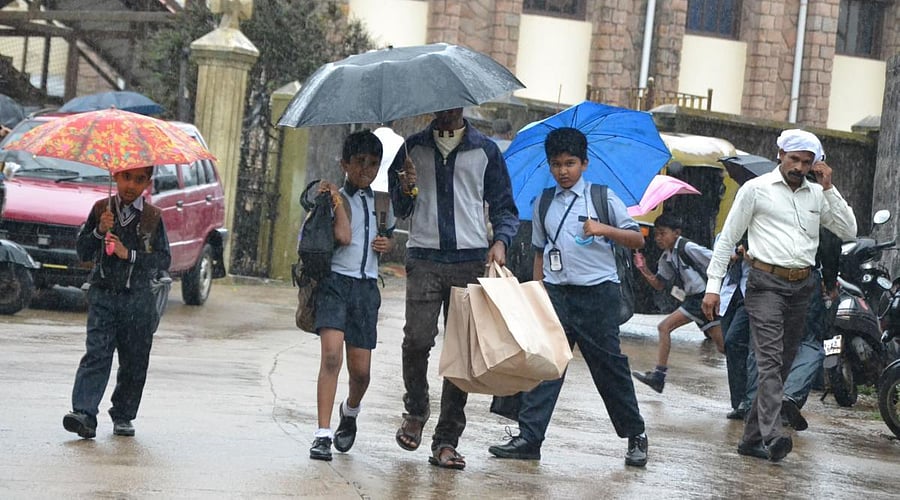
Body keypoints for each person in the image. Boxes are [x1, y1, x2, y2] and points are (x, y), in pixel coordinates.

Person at [486, 127, 649, 467]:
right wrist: (537, 293)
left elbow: (637, 240)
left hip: (598, 296)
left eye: (570, 163)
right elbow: (540, 253)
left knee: (609, 369)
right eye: (556, 164)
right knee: (546, 365)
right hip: (557, 295)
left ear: (585, 164)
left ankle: (635, 435)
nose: (563, 171)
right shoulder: (544, 202)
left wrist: (603, 229)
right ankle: (530, 437)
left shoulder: (603, 198)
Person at [701, 129, 857, 462]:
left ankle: (751, 439)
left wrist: (829, 188)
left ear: (815, 165)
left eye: (806, 162)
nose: (799, 167)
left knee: (783, 364)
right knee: (769, 360)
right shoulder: (755, 190)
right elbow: (727, 239)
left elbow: (848, 230)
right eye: (794, 159)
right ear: (780, 155)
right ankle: (773, 434)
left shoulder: (817, 195)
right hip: (764, 283)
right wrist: (713, 287)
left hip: (802, 287)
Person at [388, 108, 519, 470]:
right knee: (416, 338)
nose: (446, 111)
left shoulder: (486, 151)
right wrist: (405, 185)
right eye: (440, 104)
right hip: (424, 257)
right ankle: (415, 409)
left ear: (463, 105)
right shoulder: (411, 149)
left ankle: (446, 440)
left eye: (453, 104)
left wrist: (502, 242)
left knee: (460, 352)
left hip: (469, 260)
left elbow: (506, 208)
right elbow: (401, 209)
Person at [63, 166, 171, 439]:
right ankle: (84, 413)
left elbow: (163, 260)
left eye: (138, 179)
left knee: (134, 359)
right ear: (115, 177)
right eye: (125, 177)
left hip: (138, 299)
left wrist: (129, 254)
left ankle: (123, 414)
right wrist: (99, 231)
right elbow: (83, 252)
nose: (130, 185)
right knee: (97, 353)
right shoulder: (101, 209)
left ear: (148, 182)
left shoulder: (152, 218)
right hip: (103, 295)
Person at [309, 130, 395, 461]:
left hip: (365, 289)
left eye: (373, 164)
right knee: (331, 357)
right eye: (359, 163)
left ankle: (351, 410)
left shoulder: (382, 203)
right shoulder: (330, 197)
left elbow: (388, 238)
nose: (366, 171)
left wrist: (388, 244)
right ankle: (322, 433)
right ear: (344, 163)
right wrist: (335, 200)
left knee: (361, 372)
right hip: (335, 283)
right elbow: (343, 236)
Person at [741, 228, 842, 430]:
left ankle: (755, 403)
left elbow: (747, 239)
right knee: (810, 344)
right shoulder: (817, 201)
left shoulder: (764, 198)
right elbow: (831, 244)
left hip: (766, 276)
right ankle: (790, 395)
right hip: (803, 278)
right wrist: (830, 283)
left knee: (762, 345)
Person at [631, 212, 725, 393]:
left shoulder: (687, 247)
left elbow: (716, 260)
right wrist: (643, 269)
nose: (658, 238)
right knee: (723, 347)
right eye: (656, 234)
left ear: (676, 233)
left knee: (664, 327)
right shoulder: (667, 257)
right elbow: (659, 284)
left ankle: (659, 376)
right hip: (693, 301)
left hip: (703, 298)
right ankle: (751, 370)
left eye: (662, 233)